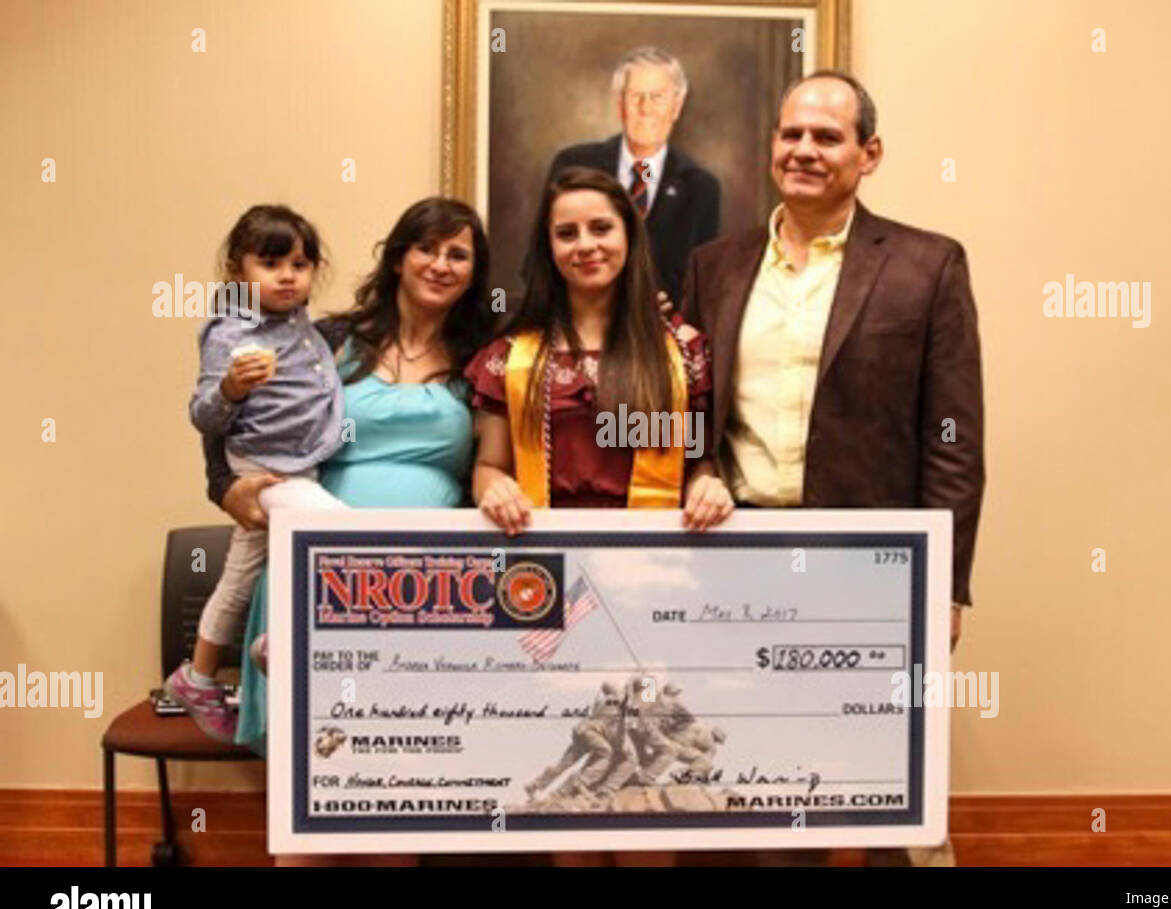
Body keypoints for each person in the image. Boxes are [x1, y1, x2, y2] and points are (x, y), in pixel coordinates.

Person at [682, 70, 986, 868]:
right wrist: (699, 470)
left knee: (887, 786)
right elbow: (687, 407)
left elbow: (953, 438)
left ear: (868, 153)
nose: (805, 150)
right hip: (739, 561)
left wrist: (946, 582)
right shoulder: (714, 265)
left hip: (873, 563)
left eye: (827, 136)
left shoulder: (928, 264)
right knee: (759, 776)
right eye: (791, 134)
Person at [203, 197, 495, 865]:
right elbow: (228, 422)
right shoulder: (322, 338)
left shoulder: (486, 357)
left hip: (421, 597)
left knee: (395, 809)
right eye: (427, 248)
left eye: (458, 254)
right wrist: (228, 488)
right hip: (308, 584)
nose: (440, 264)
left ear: (476, 273)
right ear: (398, 256)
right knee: (309, 814)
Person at [468, 166, 733, 866]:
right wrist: (490, 487)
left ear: (629, 236)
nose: (585, 244)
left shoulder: (682, 349)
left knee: (647, 783)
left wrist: (710, 485)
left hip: (656, 583)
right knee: (577, 779)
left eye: (600, 228)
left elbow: (701, 460)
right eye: (566, 232)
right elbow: (490, 464)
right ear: (548, 247)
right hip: (555, 590)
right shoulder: (514, 353)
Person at [169, 205, 346, 743]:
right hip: (267, 472)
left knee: (241, 573)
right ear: (237, 271)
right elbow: (202, 414)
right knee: (342, 533)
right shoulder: (231, 334)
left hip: (297, 465)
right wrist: (231, 390)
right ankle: (283, 638)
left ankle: (197, 678)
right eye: (271, 263)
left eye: (301, 263)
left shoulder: (301, 325)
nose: (289, 275)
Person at [545, 47, 720, 307]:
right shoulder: (573, 165)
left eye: (658, 97)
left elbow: (704, 284)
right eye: (636, 96)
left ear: (677, 106)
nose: (645, 108)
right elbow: (540, 261)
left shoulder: (701, 188)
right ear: (619, 104)